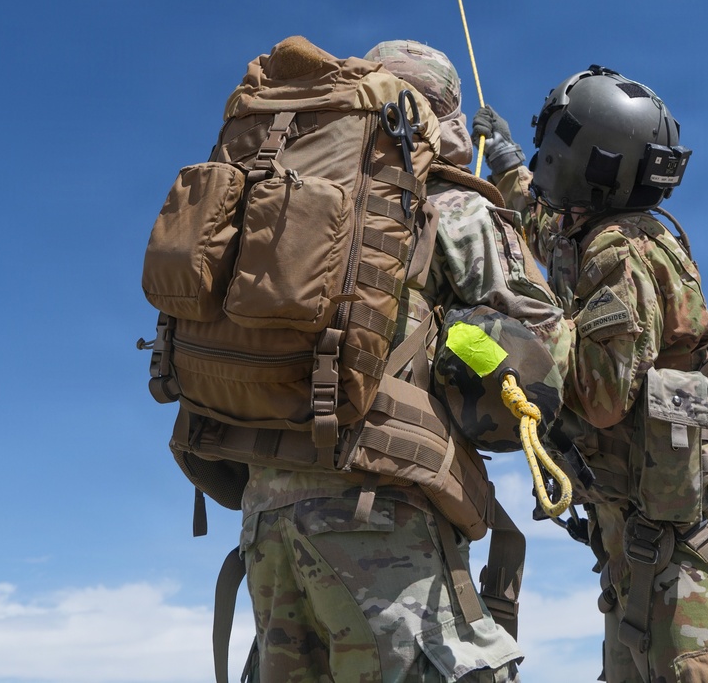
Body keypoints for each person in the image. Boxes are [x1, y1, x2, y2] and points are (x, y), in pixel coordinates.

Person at [237, 39, 574, 683]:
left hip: (265, 520)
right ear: (442, 114)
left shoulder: (282, 205)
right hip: (383, 513)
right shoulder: (451, 204)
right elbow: (549, 352)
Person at [473, 65, 708, 683]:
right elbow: (541, 224)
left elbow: (601, 397)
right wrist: (506, 158)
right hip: (642, 551)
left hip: (692, 561)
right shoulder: (592, 235)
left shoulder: (621, 252)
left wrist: (511, 336)